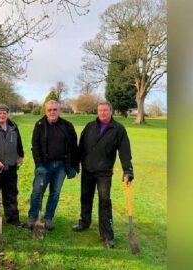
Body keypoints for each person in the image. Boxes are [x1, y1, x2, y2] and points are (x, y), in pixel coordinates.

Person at [72, 101, 134, 249]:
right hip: (88, 169)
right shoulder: (89, 127)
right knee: (85, 197)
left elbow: (125, 152)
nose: (102, 113)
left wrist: (128, 170)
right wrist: (76, 164)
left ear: (111, 111)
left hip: (104, 173)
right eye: (100, 110)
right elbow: (81, 148)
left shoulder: (118, 129)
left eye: (105, 110)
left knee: (104, 201)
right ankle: (84, 222)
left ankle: (107, 235)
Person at [27, 100, 79, 231]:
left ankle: (48, 218)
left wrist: (74, 166)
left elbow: (74, 148)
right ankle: (33, 217)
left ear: (59, 110)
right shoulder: (39, 125)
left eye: (55, 109)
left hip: (61, 166)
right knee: (37, 192)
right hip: (44, 166)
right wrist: (39, 164)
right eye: (49, 110)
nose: (52, 112)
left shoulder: (67, 126)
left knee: (55, 193)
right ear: (46, 111)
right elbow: (36, 146)